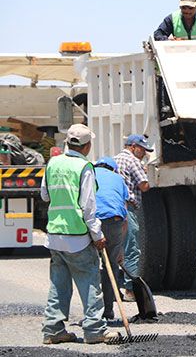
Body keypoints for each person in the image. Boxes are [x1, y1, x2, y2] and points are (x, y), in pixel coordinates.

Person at [41, 124, 119, 344]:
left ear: (68, 142)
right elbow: (88, 207)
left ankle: (53, 330)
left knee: (59, 284)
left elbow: (45, 195)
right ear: (87, 146)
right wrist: (98, 235)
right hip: (77, 236)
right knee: (90, 282)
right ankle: (94, 329)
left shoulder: (53, 163)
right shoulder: (84, 167)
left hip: (55, 235)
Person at [114, 134, 152, 302]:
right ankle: (131, 290)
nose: (144, 153)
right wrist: (149, 174)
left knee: (114, 249)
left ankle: (112, 289)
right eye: (142, 149)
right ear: (132, 147)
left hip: (112, 209)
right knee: (131, 249)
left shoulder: (114, 160)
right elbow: (144, 186)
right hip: (128, 208)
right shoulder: (133, 161)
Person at [94, 157, 129, 320]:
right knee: (111, 266)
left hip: (93, 222)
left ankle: (94, 314)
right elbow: (125, 211)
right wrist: (120, 247)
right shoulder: (118, 179)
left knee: (91, 266)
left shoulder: (89, 174)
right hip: (115, 221)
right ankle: (108, 310)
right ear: (112, 169)